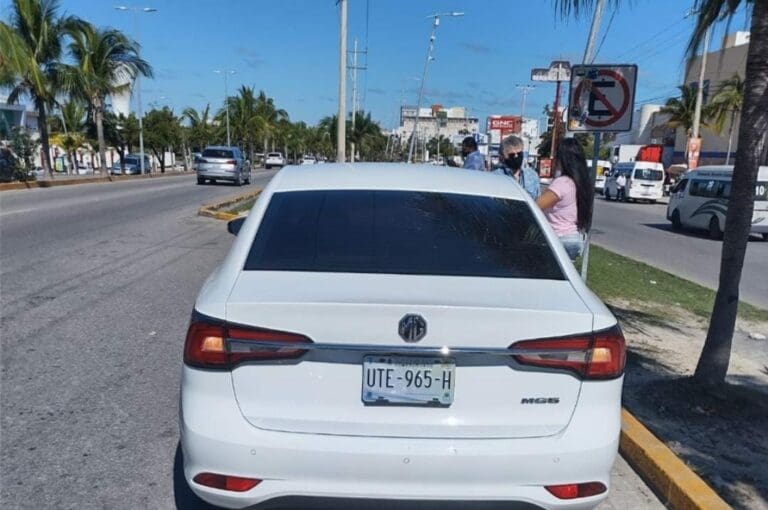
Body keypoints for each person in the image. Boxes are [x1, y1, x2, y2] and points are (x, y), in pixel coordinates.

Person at [536, 138, 594, 261]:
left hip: (558, 239)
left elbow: (536, 206)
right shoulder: (581, 183)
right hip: (574, 238)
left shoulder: (562, 183)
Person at [494, 135, 540, 199]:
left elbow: (537, 200)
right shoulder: (496, 177)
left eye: (519, 154)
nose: (516, 157)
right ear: (502, 157)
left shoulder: (532, 175)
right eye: (512, 155)